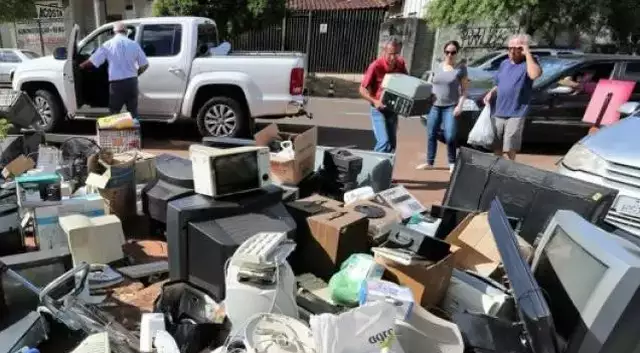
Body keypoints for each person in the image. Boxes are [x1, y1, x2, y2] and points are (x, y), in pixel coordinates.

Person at [483, 34, 542, 161]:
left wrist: (527, 53)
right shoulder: (504, 64)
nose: (511, 51)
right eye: (509, 48)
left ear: (522, 49)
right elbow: (499, 83)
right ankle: (497, 168)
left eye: (515, 48)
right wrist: (491, 93)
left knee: (509, 147)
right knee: (496, 144)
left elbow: (534, 75)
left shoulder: (530, 62)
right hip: (499, 110)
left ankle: (510, 168)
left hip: (516, 111)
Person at [417, 40, 469, 173]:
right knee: (431, 134)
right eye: (447, 52)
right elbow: (429, 84)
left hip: (450, 106)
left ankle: (452, 163)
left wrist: (460, 106)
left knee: (450, 136)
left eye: (453, 52)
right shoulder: (437, 66)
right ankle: (430, 162)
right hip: (434, 106)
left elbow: (464, 90)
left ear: (457, 53)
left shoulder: (461, 69)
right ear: (444, 52)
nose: (449, 55)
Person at [80, 22, 149, 118]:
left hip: (117, 85)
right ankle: (135, 132)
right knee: (133, 112)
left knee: (114, 112)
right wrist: (136, 74)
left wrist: (81, 66)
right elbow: (145, 65)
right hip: (132, 83)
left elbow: (93, 61)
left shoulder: (108, 44)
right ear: (126, 32)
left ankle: (115, 132)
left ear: (114, 32)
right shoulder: (134, 44)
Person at [359, 39, 408, 153]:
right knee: (383, 142)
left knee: (391, 145)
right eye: (390, 54)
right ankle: (373, 167)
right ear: (384, 52)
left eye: (396, 54)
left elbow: (407, 82)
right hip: (378, 109)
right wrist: (375, 101)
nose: (393, 58)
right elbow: (361, 89)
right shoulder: (376, 66)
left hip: (392, 109)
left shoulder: (400, 64)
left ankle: (386, 170)